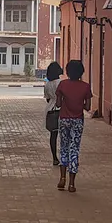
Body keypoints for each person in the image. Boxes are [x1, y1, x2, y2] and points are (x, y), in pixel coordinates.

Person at [54, 59, 93, 193]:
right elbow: (87, 107)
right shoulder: (86, 87)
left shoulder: (62, 85)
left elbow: (58, 104)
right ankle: (72, 183)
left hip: (64, 119)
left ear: (68, 71)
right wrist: (78, 105)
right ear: (81, 72)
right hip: (77, 121)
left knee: (64, 147)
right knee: (74, 149)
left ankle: (62, 178)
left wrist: (66, 103)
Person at [43, 62, 64, 167]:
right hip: (61, 110)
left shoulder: (47, 84)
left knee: (53, 135)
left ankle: (54, 158)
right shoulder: (61, 82)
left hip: (50, 110)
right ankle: (64, 157)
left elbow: (47, 99)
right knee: (64, 135)